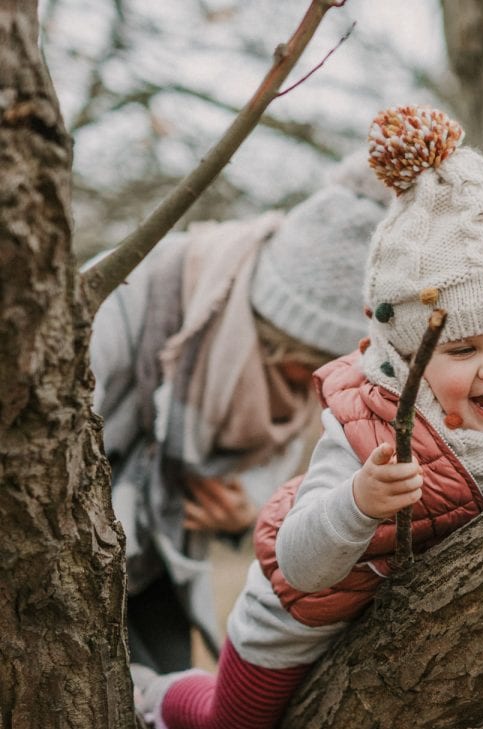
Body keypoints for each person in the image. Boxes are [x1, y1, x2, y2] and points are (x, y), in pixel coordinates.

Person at [130, 104, 483, 729]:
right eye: (463, 351)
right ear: (406, 354)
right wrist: (359, 502)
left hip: (396, 622)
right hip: (303, 609)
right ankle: (149, 697)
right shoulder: (369, 425)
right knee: (234, 728)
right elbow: (301, 565)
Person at [90, 155, 389, 676]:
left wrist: (243, 516)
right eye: (300, 374)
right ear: (265, 335)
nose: (309, 396)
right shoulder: (128, 296)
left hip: (152, 578)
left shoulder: (280, 378)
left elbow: (273, 488)